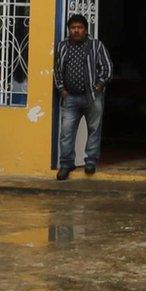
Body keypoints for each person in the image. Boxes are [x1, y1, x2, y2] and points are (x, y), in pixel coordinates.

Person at [53, 13, 112, 179]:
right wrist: (61, 89)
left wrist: (99, 86)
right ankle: (66, 164)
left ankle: (91, 162)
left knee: (94, 129)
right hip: (70, 97)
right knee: (66, 132)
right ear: (69, 30)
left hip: (92, 96)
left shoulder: (96, 45)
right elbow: (57, 70)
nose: (76, 31)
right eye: (73, 28)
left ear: (85, 29)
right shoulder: (62, 46)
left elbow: (107, 68)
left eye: (79, 28)